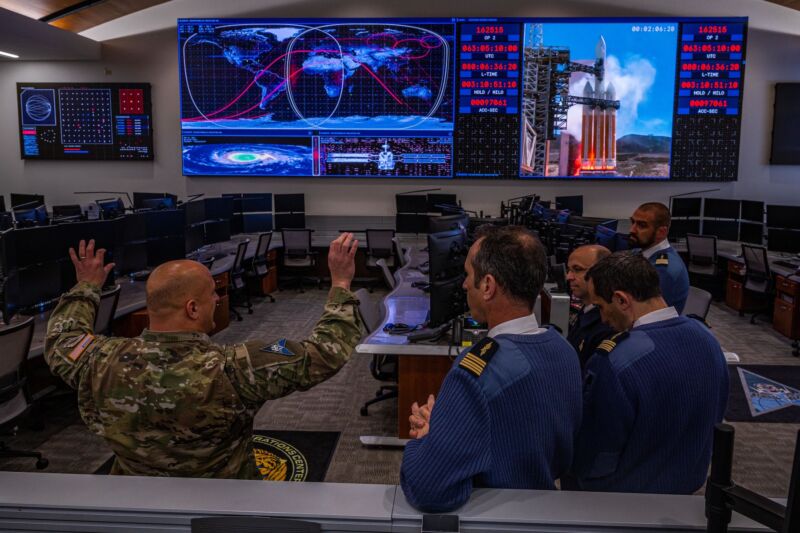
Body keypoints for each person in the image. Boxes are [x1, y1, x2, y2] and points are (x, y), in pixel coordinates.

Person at [45, 234, 363, 479]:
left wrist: (86, 286)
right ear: (192, 309)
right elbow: (325, 352)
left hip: (136, 503)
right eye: (211, 292)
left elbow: (62, 337)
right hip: (224, 503)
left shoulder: (99, 361)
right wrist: (340, 282)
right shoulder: (236, 368)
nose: (216, 297)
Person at [400, 226, 582, 513]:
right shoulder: (563, 349)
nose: (463, 285)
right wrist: (449, 427)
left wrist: (427, 440)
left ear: (487, 285)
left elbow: (428, 489)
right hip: (543, 509)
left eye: (468, 276)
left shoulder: (476, 371)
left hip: (491, 516)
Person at [570, 252, 728, 494]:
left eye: (601, 306)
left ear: (622, 300)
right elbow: (716, 414)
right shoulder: (708, 339)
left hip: (623, 500)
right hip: (688, 493)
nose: (601, 318)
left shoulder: (614, 360)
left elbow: (597, 452)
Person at [629, 202, 689, 313]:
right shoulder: (639, 252)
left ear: (661, 232)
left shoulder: (663, 270)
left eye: (641, 225)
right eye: (632, 222)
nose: (632, 230)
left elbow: (644, 312)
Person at [566, 244, 614, 370]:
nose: (569, 277)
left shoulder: (607, 322)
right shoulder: (587, 310)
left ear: (601, 273)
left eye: (577, 269)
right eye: (569, 270)